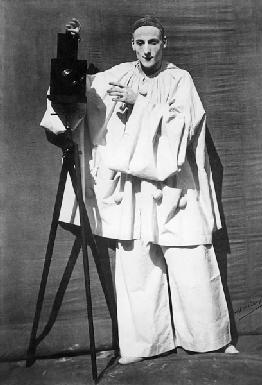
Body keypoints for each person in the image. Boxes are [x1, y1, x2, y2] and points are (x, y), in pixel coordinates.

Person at [41, 15, 239, 364]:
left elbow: (184, 127)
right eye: (140, 43)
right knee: (137, 265)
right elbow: (73, 93)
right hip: (133, 192)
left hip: (176, 188)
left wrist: (140, 102)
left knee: (191, 258)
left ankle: (211, 339)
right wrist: (69, 49)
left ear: (165, 43)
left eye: (153, 42)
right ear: (133, 45)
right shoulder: (117, 75)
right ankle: (145, 345)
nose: (147, 50)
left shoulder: (180, 80)